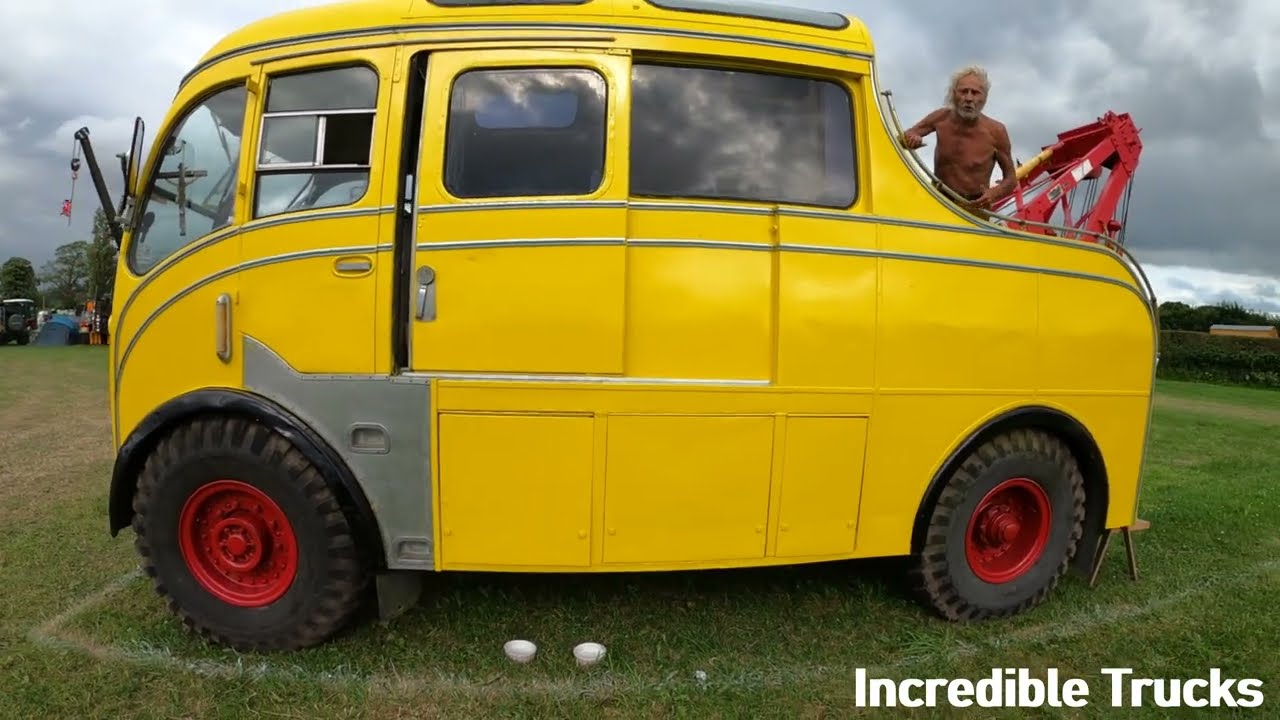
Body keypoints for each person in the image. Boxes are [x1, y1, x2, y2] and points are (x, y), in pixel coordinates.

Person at [900, 65, 1017, 209]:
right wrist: (913, 138)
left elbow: (1011, 180)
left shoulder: (996, 131)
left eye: (975, 93)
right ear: (954, 93)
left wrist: (994, 193)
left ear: (984, 97)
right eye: (964, 92)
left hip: (975, 207)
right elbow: (908, 135)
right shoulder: (941, 117)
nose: (968, 98)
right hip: (939, 200)